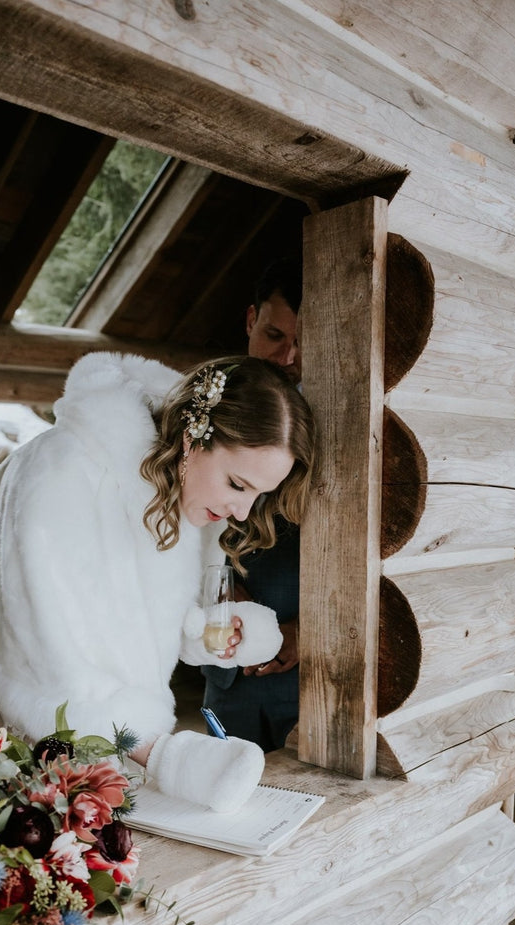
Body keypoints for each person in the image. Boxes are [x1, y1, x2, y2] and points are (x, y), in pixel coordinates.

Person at [0, 350, 315, 813]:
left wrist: (202, 633)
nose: (243, 511)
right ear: (194, 438)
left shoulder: (178, 487)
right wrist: (161, 753)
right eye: (238, 485)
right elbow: (45, 649)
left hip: (123, 728)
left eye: (260, 494)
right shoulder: (62, 469)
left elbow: (136, 619)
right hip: (32, 710)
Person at [202, 259, 304, 752]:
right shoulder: (210, 410)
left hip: (309, 679)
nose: (287, 359)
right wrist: (225, 591)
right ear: (250, 321)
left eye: (303, 344)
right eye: (274, 335)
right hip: (226, 672)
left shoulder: (332, 423)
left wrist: (308, 632)